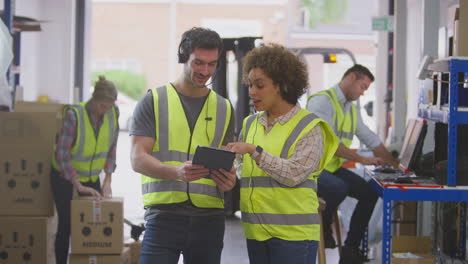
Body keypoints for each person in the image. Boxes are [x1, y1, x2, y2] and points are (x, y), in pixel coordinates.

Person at [130, 27, 237, 264]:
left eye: (212, 64)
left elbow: (230, 160)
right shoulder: (154, 101)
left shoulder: (224, 108)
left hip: (210, 220)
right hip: (164, 217)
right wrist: (176, 171)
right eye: (198, 63)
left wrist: (231, 179)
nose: (205, 71)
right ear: (183, 56)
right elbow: (138, 158)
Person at [225, 43, 339, 264]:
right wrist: (231, 163)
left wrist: (254, 152)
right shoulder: (250, 124)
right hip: (255, 231)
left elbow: (294, 173)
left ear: (280, 85)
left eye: (259, 85)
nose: (252, 92)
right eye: (250, 85)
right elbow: (244, 171)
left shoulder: (309, 127)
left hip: (293, 236)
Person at [307, 64, 399, 264]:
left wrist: (395, 164)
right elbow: (331, 143)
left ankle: (350, 250)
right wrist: (363, 159)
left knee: (369, 193)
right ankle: (324, 222)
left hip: (331, 168)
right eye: (362, 86)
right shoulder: (322, 102)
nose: (363, 92)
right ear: (350, 78)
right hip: (312, 168)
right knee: (339, 188)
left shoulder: (350, 108)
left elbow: (369, 137)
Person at [50, 76, 119, 264]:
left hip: (91, 175)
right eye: (102, 106)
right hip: (64, 175)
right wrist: (77, 184)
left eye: (109, 106)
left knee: (94, 220)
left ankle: (89, 260)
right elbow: (62, 154)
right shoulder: (75, 115)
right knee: (67, 224)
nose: (105, 111)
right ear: (94, 100)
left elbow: (112, 147)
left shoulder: (113, 113)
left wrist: (108, 180)